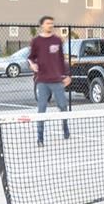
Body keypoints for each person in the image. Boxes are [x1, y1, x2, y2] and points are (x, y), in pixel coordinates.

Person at [28, 15, 71, 145]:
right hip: (42, 81)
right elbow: (30, 57)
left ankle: (65, 129)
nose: (50, 25)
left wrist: (67, 75)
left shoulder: (57, 40)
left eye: (52, 23)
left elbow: (61, 59)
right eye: (48, 23)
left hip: (57, 81)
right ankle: (40, 138)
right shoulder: (36, 41)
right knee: (41, 109)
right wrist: (32, 64)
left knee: (63, 106)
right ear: (42, 25)